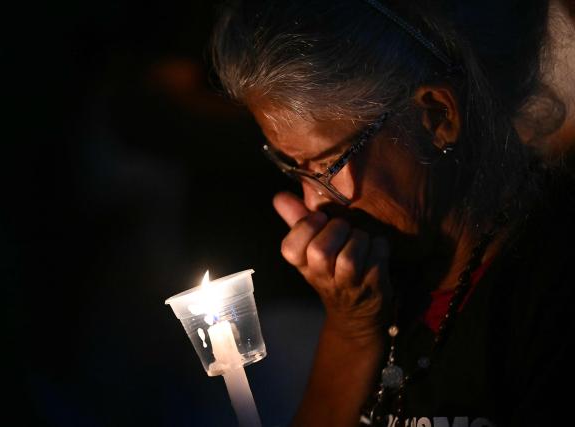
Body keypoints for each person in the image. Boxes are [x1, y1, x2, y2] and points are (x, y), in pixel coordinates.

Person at [210, 0, 575, 426]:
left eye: (326, 167)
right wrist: (351, 330)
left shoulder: (553, 285)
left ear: (436, 115)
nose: (313, 203)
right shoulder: (378, 281)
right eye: (291, 167)